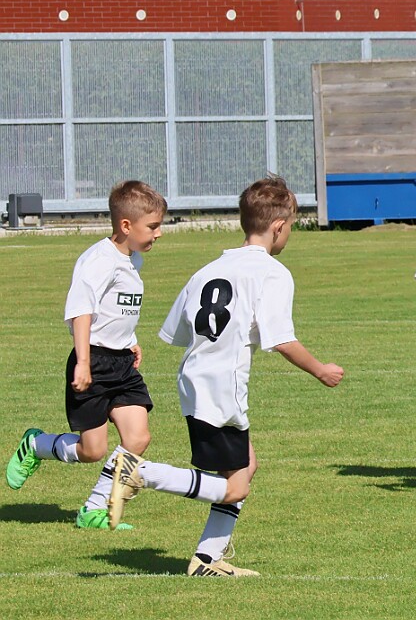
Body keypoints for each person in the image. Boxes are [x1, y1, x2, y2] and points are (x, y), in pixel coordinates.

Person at [106, 175, 343, 577]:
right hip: (223, 387)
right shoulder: (272, 273)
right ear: (278, 227)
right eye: (290, 227)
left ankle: (206, 560)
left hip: (193, 380)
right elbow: (281, 339)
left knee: (246, 464)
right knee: (237, 486)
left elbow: (177, 333)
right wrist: (321, 370)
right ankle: (141, 473)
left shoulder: (209, 269)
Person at [5, 181, 166, 531]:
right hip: (93, 360)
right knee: (92, 450)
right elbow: (81, 311)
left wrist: (130, 340)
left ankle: (93, 510)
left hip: (122, 364)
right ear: (126, 225)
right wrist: (82, 361)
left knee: (138, 438)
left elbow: (117, 308)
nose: (159, 233)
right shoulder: (98, 260)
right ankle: (36, 445)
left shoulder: (133, 258)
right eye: (153, 226)